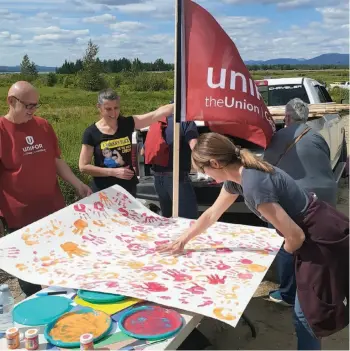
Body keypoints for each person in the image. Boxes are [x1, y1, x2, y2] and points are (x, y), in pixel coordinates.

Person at [158, 132, 349, 350]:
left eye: (203, 170)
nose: (204, 175)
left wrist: (286, 255)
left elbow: (295, 236)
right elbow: (212, 213)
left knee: (307, 315)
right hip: (316, 229)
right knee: (307, 307)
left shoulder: (253, 185)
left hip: (321, 238)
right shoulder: (237, 177)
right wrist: (184, 239)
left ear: (215, 163)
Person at [0, 81, 92, 296]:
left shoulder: (43, 125)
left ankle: (63, 301)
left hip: (53, 210)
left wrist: (78, 184)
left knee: (60, 261)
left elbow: (56, 161)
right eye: (28, 106)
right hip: (20, 216)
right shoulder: (2, 130)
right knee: (29, 272)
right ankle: (36, 305)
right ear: (11, 101)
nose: (32, 111)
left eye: (36, 106)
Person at [263, 98, 338, 306]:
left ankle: (288, 294)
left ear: (286, 117)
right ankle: (322, 288)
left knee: (287, 241)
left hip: (296, 198)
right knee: (316, 243)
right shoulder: (316, 135)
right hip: (325, 196)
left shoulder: (279, 136)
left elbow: (266, 167)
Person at [79, 89, 174, 196]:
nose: (113, 113)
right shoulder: (91, 132)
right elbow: (83, 166)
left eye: (116, 108)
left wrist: (180, 104)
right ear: (99, 107)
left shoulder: (128, 123)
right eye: (108, 109)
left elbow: (156, 114)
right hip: (104, 190)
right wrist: (113, 172)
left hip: (128, 189)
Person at [144, 105, 199, 219]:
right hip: (176, 179)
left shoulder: (156, 122)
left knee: (167, 219)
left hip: (158, 179)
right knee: (188, 220)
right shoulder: (185, 121)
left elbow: (142, 151)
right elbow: (195, 146)